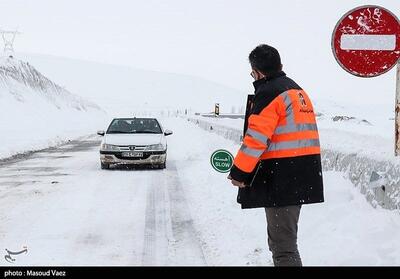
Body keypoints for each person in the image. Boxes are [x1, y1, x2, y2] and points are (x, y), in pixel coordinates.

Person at [228, 44, 324, 266]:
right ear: (280, 65)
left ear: (257, 72)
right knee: (285, 242)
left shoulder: (270, 93)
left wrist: (239, 173)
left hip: (282, 178)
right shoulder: (297, 91)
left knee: (283, 248)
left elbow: (255, 139)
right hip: (301, 174)